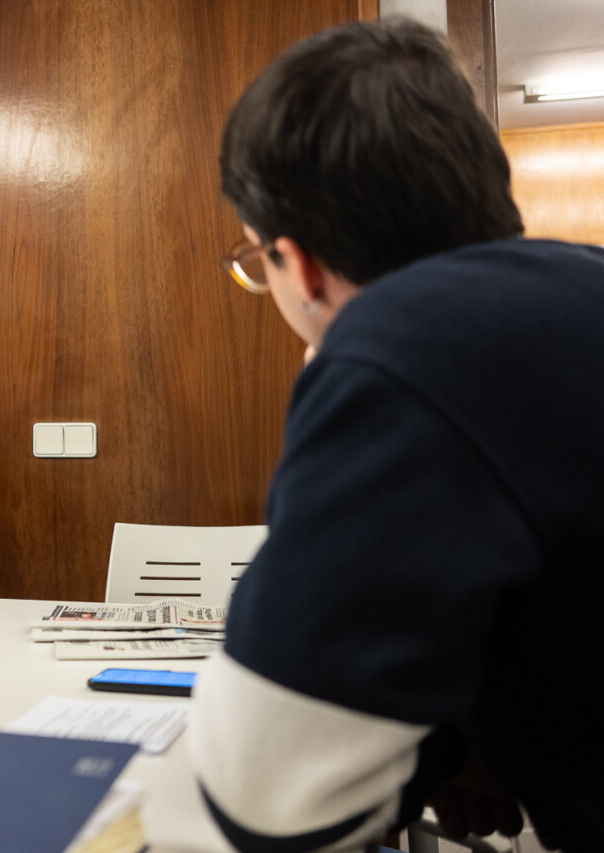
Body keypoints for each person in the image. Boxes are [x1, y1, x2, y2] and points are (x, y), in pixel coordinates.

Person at [185, 18, 604, 853]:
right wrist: (466, 738)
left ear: (297, 265)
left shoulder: (402, 347)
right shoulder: (578, 288)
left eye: (254, 261)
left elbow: (269, 800)